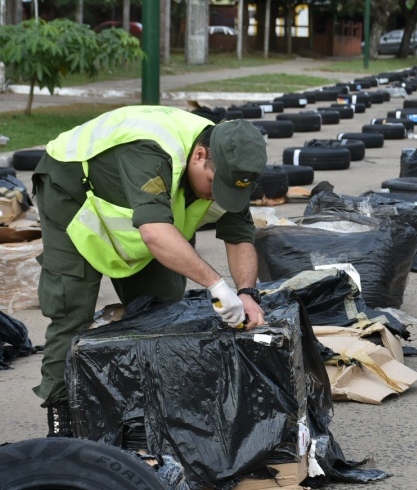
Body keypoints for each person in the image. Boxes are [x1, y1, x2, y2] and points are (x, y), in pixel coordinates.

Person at [32, 106, 268, 437]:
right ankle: (61, 422)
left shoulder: (229, 164)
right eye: (215, 184)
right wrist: (216, 285)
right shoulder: (151, 150)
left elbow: (240, 236)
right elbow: (155, 233)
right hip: (72, 193)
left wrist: (246, 292)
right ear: (199, 156)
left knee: (162, 308)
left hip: (144, 214)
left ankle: (142, 410)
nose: (218, 195)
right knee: (71, 309)